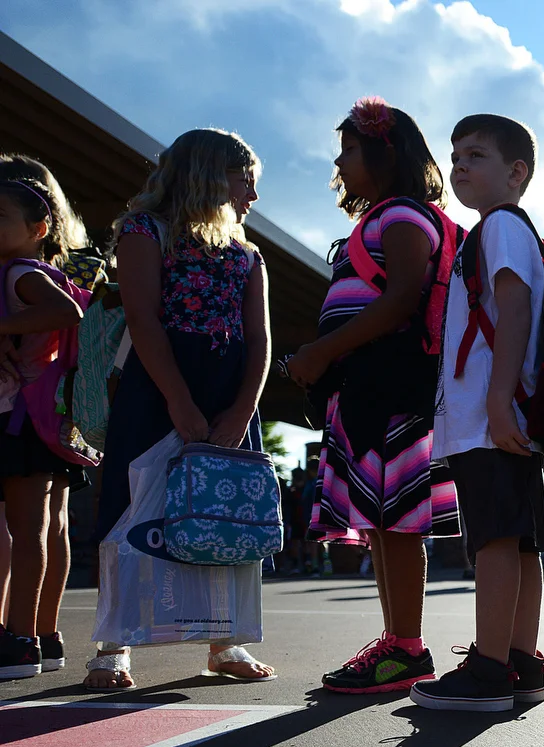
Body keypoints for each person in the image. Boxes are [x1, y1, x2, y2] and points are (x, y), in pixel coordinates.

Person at [81, 129, 275, 690]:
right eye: (247, 183)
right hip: (159, 387)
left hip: (230, 389)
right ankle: (112, 647)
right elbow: (144, 322)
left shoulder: (248, 253)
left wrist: (241, 411)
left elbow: (259, 341)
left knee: (228, 513)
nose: (253, 198)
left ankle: (226, 641)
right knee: (129, 508)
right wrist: (180, 403)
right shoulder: (145, 230)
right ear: (211, 176)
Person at [287, 98, 461, 695]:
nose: (339, 160)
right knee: (385, 522)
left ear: (387, 152)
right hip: (370, 388)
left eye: (350, 148)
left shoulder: (405, 218)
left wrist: (321, 351)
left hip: (395, 387)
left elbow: (401, 301)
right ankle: (397, 642)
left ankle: (408, 646)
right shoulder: (385, 217)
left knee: (398, 523)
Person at [410, 113, 544, 712]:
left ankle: (489, 670)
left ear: (516, 172)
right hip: (511, 414)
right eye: (456, 155)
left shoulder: (498, 227)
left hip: (494, 416)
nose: (460, 164)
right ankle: (518, 660)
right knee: (517, 542)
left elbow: (512, 309)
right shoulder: (507, 229)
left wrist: (495, 402)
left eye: (476, 155)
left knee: (493, 541)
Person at [0, 155, 96, 677]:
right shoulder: (58, 264)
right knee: (50, 524)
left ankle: (17, 637)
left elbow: (65, 313)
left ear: (37, 224)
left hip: (20, 413)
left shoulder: (17, 271)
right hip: (53, 411)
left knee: (25, 528)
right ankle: (43, 633)